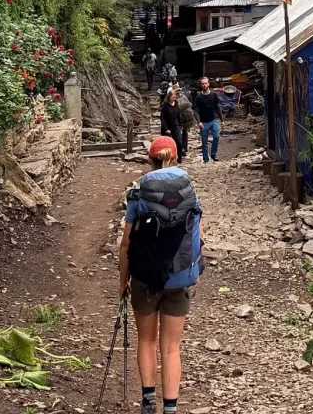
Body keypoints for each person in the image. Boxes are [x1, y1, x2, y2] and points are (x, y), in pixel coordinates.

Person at [119, 136, 204, 414]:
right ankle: (170, 409)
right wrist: (194, 270)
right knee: (171, 348)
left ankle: (148, 402)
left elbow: (126, 244)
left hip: (145, 278)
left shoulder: (138, 195)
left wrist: (123, 281)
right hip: (179, 277)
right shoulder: (190, 192)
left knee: (147, 340)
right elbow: (198, 236)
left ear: (150, 160)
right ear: (175, 157)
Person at [194, 76, 223, 163]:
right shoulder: (199, 97)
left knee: (216, 137)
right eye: (203, 84)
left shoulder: (214, 95)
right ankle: (206, 159)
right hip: (203, 122)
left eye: (206, 83)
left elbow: (217, 108)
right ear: (201, 85)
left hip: (213, 120)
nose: (204, 85)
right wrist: (198, 122)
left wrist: (222, 120)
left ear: (208, 84)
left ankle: (213, 154)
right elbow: (196, 110)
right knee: (204, 141)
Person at [160, 90, 184, 161]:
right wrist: (166, 128)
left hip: (175, 125)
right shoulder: (165, 105)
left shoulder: (176, 104)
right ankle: (168, 158)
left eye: (175, 97)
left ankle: (179, 157)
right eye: (173, 97)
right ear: (169, 97)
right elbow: (162, 117)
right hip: (167, 126)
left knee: (179, 142)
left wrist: (181, 125)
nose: (174, 99)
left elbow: (178, 115)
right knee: (167, 144)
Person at [176, 88, 195, 159]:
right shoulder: (185, 96)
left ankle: (182, 149)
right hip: (186, 118)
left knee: (181, 134)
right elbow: (190, 104)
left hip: (182, 118)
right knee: (184, 133)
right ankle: (184, 148)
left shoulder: (177, 99)